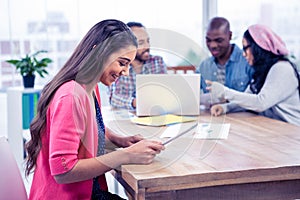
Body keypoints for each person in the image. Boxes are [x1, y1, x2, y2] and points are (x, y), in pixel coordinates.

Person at [25, 19, 165, 200]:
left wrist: (120, 140)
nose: (126, 72)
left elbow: (88, 130)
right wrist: (125, 155)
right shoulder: (71, 96)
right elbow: (63, 171)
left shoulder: (90, 87)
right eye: (122, 63)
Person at [209, 24, 300, 126]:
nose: (243, 54)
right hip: (275, 128)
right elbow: (248, 99)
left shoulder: (282, 68)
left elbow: (260, 103)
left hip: (292, 131)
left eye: (245, 48)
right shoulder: (263, 70)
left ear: (258, 47)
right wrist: (225, 108)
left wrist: (225, 92)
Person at [108, 22, 167, 110]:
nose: (147, 46)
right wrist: (135, 102)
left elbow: (165, 92)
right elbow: (113, 98)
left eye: (148, 41)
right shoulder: (117, 66)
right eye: (141, 42)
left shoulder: (157, 62)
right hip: (126, 117)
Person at [196, 17, 253, 106]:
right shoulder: (204, 66)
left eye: (218, 40)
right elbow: (189, 93)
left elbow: (255, 99)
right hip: (212, 117)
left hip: (243, 117)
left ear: (230, 36)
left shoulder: (247, 61)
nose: (213, 45)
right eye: (208, 40)